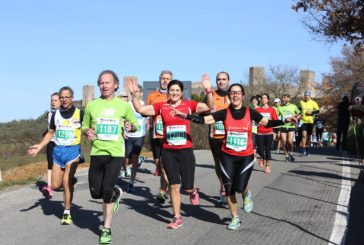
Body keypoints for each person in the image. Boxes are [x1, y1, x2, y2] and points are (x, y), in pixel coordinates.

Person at [171, 83, 296, 230]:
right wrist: (185, 116)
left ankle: (246, 193)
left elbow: (267, 123)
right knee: (229, 189)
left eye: (238, 93)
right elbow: (203, 120)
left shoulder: (251, 112)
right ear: (229, 96)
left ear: (243, 95)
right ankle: (235, 217)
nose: (235, 95)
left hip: (246, 156)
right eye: (232, 93)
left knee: (240, 187)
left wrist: (285, 121)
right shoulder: (224, 113)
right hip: (227, 156)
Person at [128, 76, 214, 229]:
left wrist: (208, 90)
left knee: (186, 188)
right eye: (172, 90)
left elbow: (208, 105)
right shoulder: (162, 106)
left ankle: (194, 191)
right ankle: (177, 217)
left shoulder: (189, 105)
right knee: (174, 186)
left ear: (181, 93)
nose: (174, 93)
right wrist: (135, 96)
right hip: (168, 152)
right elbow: (140, 109)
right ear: (168, 92)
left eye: (177, 90)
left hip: (186, 151)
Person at [82, 70, 138, 244]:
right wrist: (87, 131)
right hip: (97, 152)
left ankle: (106, 228)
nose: (104, 86)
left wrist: (130, 126)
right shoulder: (92, 105)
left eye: (107, 82)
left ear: (115, 85)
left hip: (115, 153)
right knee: (95, 192)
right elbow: (84, 126)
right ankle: (115, 193)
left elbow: (134, 125)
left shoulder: (123, 106)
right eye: (101, 83)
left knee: (106, 193)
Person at [28, 86, 82, 225]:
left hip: (72, 152)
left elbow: (88, 128)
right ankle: (72, 181)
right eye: (62, 97)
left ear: (72, 98)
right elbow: (50, 133)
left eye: (66, 97)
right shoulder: (55, 114)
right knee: (56, 185)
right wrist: (39, 146)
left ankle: (67, 212)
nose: (64, 99)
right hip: (58, 152)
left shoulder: (79, 113)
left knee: (65, 182)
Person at [146, 70, 173, 204]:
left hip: (171, 135)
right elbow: (146, 112)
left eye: (168, 78)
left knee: (166, 164)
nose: (165, 81)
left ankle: (163, 190)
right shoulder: (152, 95)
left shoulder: (175, 95)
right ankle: (166, 185)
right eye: (163, 78)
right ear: (159, 80)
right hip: (156, 134)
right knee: (159, 164)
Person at [204, 71, 230, 204]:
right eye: (219, 79)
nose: (221, 81)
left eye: (224, 79)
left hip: (231, 135)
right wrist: (209, 111)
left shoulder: (234, 94)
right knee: (219, 163)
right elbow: (203, 112)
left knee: (230, 163)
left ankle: (228, 187)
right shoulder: (211, 95)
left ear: (228, 81)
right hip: (215, 135)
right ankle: (223, 186)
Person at [124, 84, 148, 193]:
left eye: (137, 91)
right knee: (126, 160)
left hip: (140, 135)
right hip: (128, 136)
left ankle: (131, 182)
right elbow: (121, 119)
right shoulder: (127, 105)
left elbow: (148, 118)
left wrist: (148, 124)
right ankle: (138, 161)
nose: (136, 93)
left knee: (134, 158)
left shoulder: (144, 105)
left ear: (141, 93)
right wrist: (122, 131)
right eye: (134, 91)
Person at [42, 92, 61, 198]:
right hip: (51, 142)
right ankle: (49, 188)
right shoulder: (49, 114)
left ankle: (68, 180)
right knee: (50, 165)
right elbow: (50, 128)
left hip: (61, 143)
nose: (53, 103)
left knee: (62, 165)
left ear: (60, 101)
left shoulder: (63, 113)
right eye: (52, 101)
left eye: (55, 100)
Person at [256, 93, 278, 173]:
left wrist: (275, 132)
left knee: (268, 150)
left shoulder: (272, 110)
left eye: (265, 98)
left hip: (269, 132)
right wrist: (257, 122)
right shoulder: (258, 110)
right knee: (261, 150)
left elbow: (275, 121)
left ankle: (268, 166)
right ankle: (262, 157)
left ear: (268, 100)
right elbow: (254, 120)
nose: (263, 99)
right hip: (260, 133)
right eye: (262, 98)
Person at [277, 94, 301, 162]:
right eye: (283, 98)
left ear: (289, 99)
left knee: (290, 141)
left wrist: (295, 119)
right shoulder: (280, 107)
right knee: (284, 142)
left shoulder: (293, 106)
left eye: (285, 98)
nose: (283, 99)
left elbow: (299, 114)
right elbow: (276, 115)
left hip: (291, 125)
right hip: (283, 126)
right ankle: (286, 156)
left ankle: (291, 153)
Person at [299, 91, 320, 156]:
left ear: (310, 96)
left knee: (308, 136)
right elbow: (298, 109)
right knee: (304, 135)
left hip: (310, 122)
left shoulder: (313, 102)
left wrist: (311, 112)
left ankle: (307, 149)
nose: (306, 97)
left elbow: (318, 111)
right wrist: (298, 115)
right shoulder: (301, 102)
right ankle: (303, 150)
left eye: (307, 95)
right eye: (305, 95)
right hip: (303, 121)